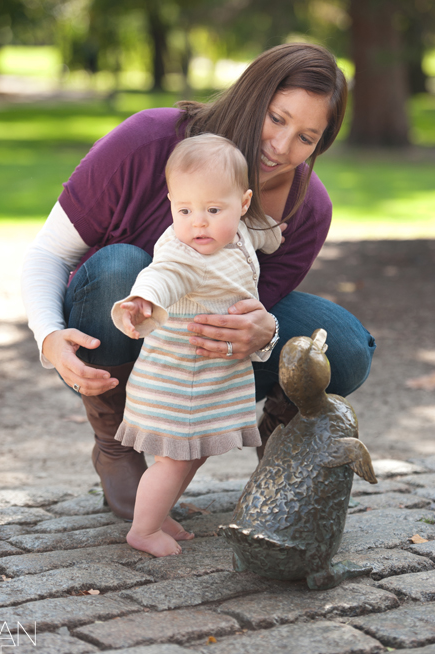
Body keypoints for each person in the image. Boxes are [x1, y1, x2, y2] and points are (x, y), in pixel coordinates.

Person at [21, 43, 376, 521]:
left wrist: (263, 331)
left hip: (202, 347)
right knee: (122, 266)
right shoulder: (149, 139)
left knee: (344, 347)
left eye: (306, 138)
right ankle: (116, 444)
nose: (281, 146)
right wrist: (47, 336)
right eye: (276, 118)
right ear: (252, 97)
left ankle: (282, 441)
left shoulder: (307, 208)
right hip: (113, 332)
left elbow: (249, 302)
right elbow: (49, 250)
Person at [112, 135, 280, 556]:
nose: (198, 223)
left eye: (212, 210)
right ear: (171, 203)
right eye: (184, 210)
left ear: (242, 204)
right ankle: (143, 529)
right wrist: (143, 298)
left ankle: (158, 512)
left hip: (209, 379)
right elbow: (163, 275)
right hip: (181, 381)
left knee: (193, 455)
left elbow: (254, 239)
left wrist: (274, 235)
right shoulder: (186, 253)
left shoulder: (237, 233)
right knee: (176, 459)